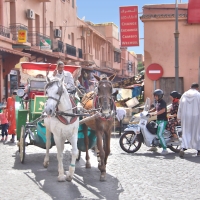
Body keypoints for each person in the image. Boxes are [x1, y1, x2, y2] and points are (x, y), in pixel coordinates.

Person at [177, 83, 200, 158]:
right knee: (196, 132)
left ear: (190, 87)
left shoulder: (184, 94)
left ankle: (183, 147)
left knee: (186, 132)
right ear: (197, 88)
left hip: (185, 117)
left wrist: (179, 116)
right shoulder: (198, 95)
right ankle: (198, 150)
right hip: (196, 116)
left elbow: (180, 106)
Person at [149, 89, 168, 155]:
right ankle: (154, 146)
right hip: (158, 120)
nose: (155, 97)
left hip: (163, 121)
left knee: (159, 134)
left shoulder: (163, 102)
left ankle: (165, 149)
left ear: (160, 96)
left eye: (156, 96)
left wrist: (154, 114)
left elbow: (163, 110)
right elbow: (155, 108)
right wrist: (148, 112)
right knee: (154, 133)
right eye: (154, 95)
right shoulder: (158, 102)